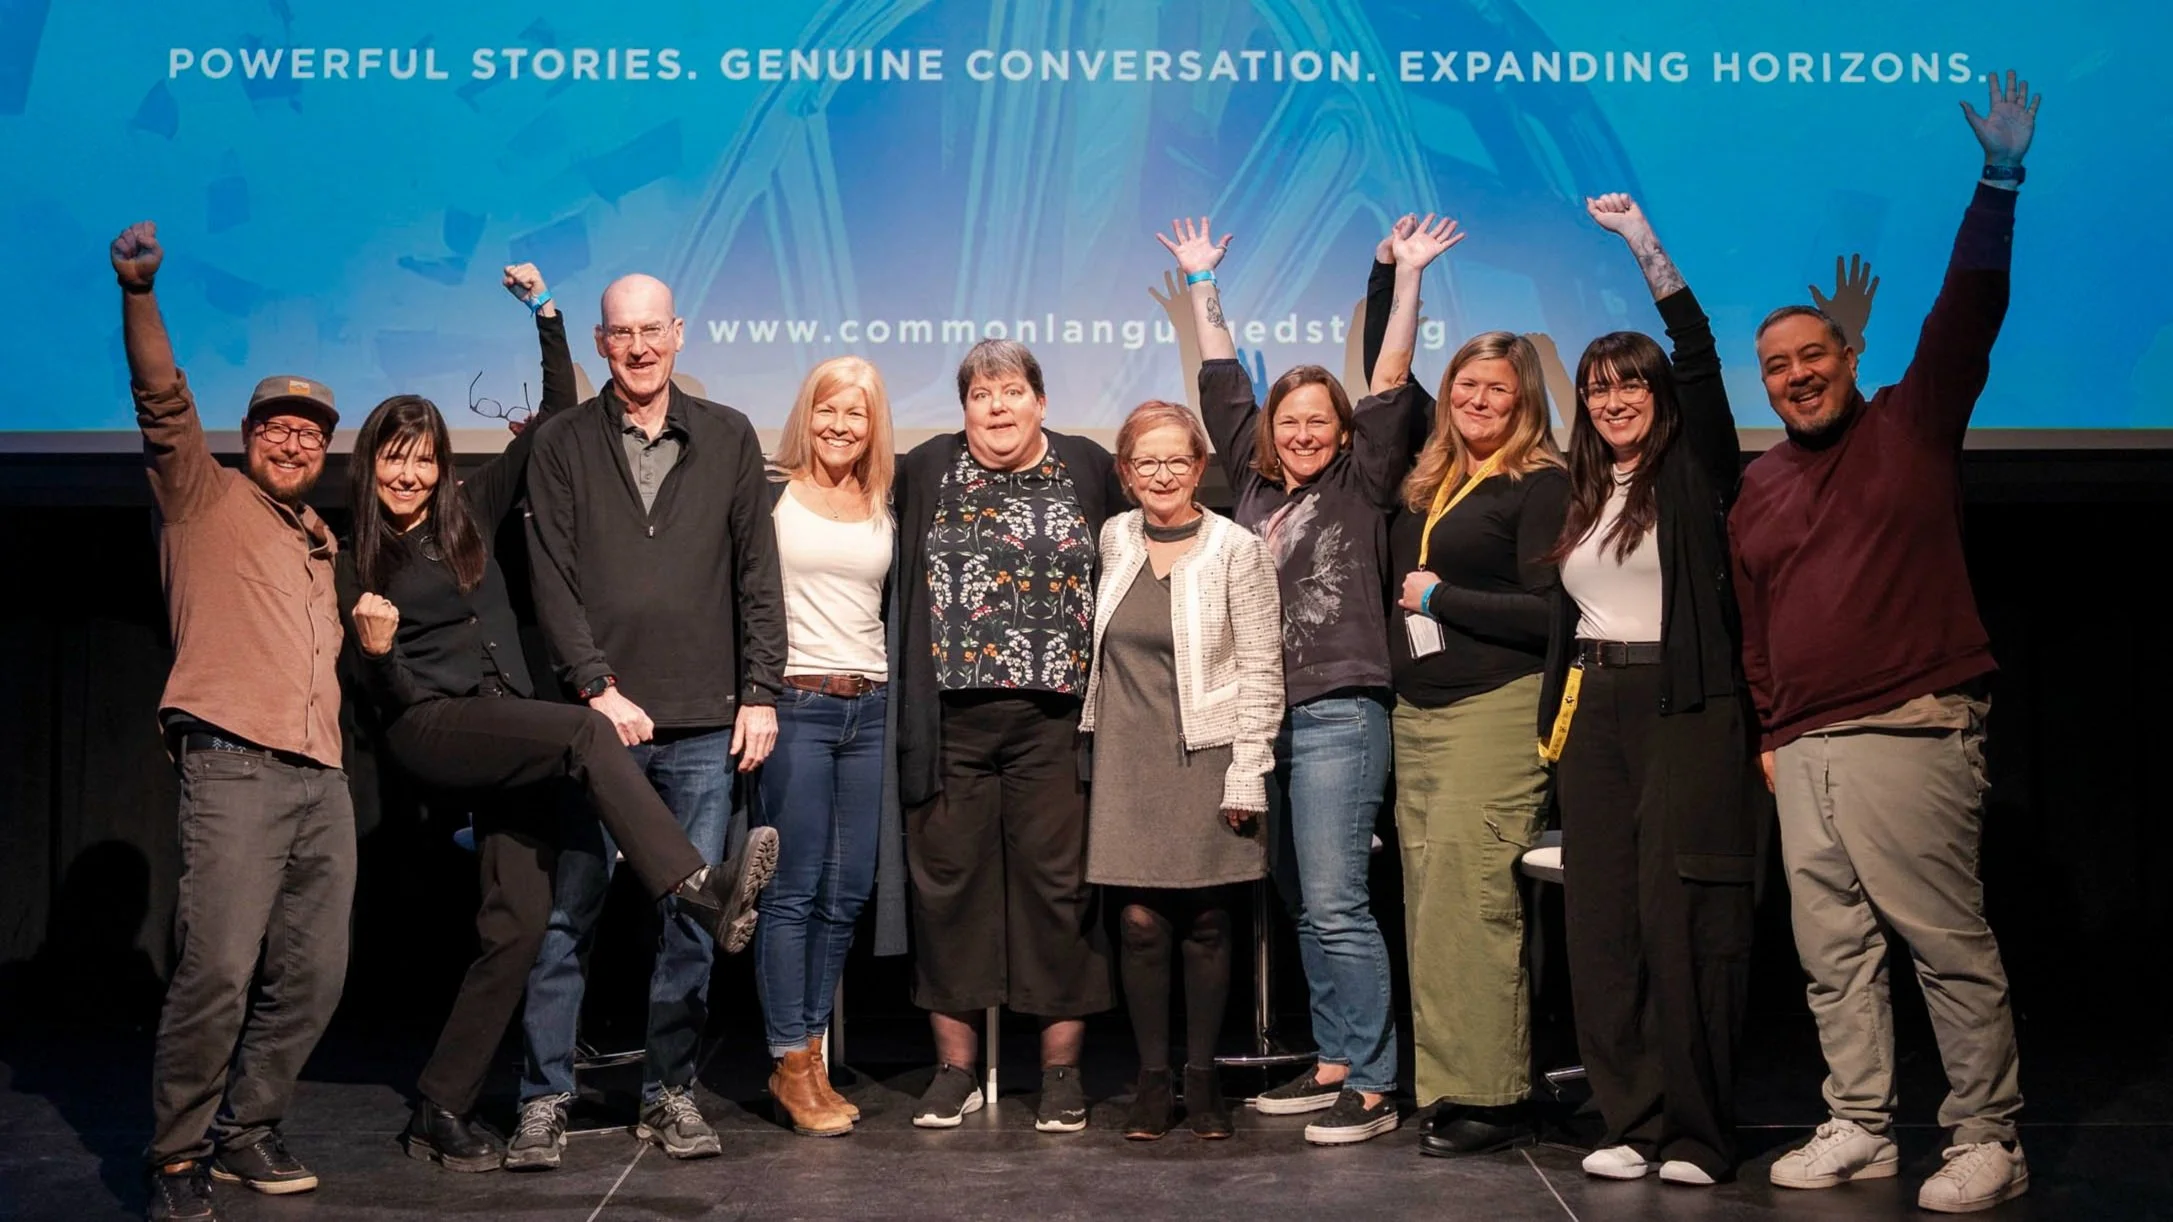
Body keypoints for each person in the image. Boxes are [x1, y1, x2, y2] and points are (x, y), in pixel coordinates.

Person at [336, 266, 777, 1172]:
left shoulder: (465, 515)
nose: (409, 471)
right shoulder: (354, 560)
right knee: (581, 767)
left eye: (423, 456)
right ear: (367, 464)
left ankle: (441, 1106)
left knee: (518, 925)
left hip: (514, 738)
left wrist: (546, 316)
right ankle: (693, 887)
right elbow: (382, 704)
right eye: (393, 456)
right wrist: (379, 657)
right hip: (451, 729)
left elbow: (549, 414)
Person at [1734, 71, 2038, 1215]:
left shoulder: (1910, 423)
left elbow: (1969, 308)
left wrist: (1997, 182)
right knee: (1834, 958)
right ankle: (1860, 1122)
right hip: (1802, 747)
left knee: (1942, 943)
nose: (1796, 375)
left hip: (1908, 726)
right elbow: (1757, 622)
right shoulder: (1758, 488)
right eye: (1776, 367)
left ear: (1847, 357)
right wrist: (1770, 730)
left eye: (1812, 356)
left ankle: (1985, 1135)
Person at [1158, 215, 1431, 1145]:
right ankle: (1333, 1059)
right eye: (1291, 421)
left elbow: (1391, 380)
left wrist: (1410, 280)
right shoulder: (1251, 485)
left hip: (1338, 713)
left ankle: (1375, 1081)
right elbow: (1221, 382)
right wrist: (1201, 282)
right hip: (1259, 721)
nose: (1306, 432)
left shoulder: (1363, 479)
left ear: (1343, 432)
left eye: (1321, 420)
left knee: (1336, 900)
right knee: (1299, 902)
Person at [511, 273, 787, 1165]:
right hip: (596, 727)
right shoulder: (561, 443)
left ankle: (668, 1094)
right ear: (599, 342)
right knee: (568, 916)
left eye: (651, 332)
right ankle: (545, 1096)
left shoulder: (728, 436)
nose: (636, 347)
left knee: (691, 919)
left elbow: (756, 573)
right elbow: (550, 576)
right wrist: (595, 686)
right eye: (620, 333)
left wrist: (760, 690)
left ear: (677, 336)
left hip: (707, 722)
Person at [112, 221, 352, 1222]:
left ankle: (248, 1127)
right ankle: (175, 1156)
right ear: (249, 438)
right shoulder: (200, 496)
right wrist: (139, 293)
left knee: (317, 972)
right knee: (217, 967)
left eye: (311, 430)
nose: (294, 438)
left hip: (322, 779)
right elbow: (163, 399)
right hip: (235, 769)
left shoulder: (324, 542)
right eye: (277, 425)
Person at [1534, 196, 1761, 1186]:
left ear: (1657, 393)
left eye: (1629, 384)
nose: (1613, 399)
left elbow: (1702, 357)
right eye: (1596, 388)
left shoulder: (1694, 468)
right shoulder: (1584, 492)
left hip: (1683, 706)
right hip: (1594, 711)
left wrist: (1643, 247)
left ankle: (1699, 1130)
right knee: (1602, 920)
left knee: (1683, 919)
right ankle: (1626, 1114)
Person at [893, 339, 1123, 1134]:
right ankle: (954, 1069)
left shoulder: (1087, 468)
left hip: (1055, 720)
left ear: (1041, 402)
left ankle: (1059, 1072)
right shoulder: (926, 468)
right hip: (949, 718)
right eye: (981, 394)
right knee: (948, 888)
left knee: (1059, 893)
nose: (996, 406)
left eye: (1012, 391)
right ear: (963, 409)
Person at [1372, 243, 1569, 1159]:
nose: (1478, 402)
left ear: (1524, 399)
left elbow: (1548, 614)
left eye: (1497, 390)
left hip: (1495, 710)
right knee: (1430, 901)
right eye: (1466, 387)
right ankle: (1449, 1085)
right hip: (1420, 716)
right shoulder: (1432, 477)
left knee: (1473, 899)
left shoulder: (1541, 482)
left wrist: (1435, 599)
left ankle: (1492, 1093)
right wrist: (1396, 280)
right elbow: (1385, 371)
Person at [1080, 401, 1284, 1141]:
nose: (1161, 475)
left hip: (1209, 752)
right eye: (1145, 462)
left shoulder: (1236, 548)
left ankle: (1202, 1084)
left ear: (1200, 468)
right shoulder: (1115, 538)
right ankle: (1151, 1080)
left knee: (1203, 924)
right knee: (1136, 925)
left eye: (1176, 461)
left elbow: (1262, 668)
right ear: (1124, 472)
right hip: (1128, 758)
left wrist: (1246, 771)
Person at [754, 356, 897, 1137]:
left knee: (846, 897)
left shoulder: (881, 500)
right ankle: (787, 1057)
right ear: (805, 415)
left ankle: (809, 1051)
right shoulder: (771, 496)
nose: (841, 426)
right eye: (827, 411)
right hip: (796, 705)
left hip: (867, 709)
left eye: (857, 413)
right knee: (793, 891)